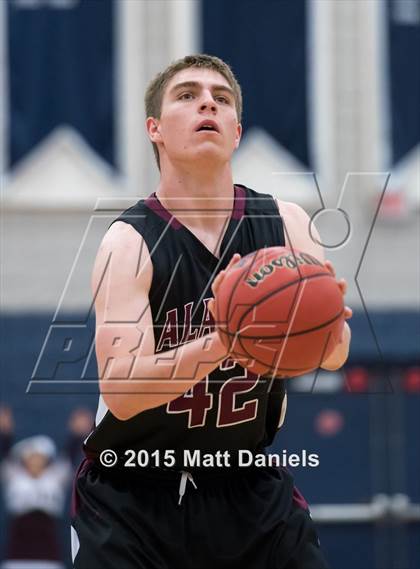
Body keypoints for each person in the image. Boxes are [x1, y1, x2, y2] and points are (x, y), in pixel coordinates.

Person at [71, 54, 352, 569]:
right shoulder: (129, 240)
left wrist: (327, 321)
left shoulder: (286, 222)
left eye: (221, 99)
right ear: (154, 128)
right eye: (187, 95)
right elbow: (123, 392)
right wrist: (227, 339)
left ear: (237, 131)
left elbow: (334, 355)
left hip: (247, 486)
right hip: (132, 495)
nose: (208, 103)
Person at [0, 406, 93, 569]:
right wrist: (5, 433)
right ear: (23, 458)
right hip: (17, 555)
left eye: (40, 457)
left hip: (49, 555)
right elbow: (5, 454)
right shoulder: (14, 476)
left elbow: (69, 456)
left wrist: (78, 433)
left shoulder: (54, 478)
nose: (36, 460)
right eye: (32, 456)